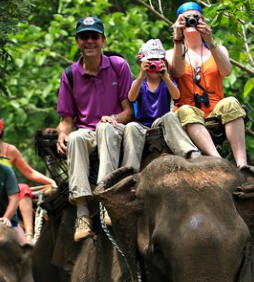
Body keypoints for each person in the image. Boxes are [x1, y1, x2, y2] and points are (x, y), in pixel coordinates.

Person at [56, 16, 134, 242]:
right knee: (76, 137)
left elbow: (129, 112)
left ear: (103, 41)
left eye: (94, 37)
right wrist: (63, 133)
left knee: (105, 129)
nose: (89, 41)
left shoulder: (118, 66)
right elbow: (66, 119)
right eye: (84, 37)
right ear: (77, 41)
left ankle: (106, 197)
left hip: (114, 128)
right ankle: (82, 211)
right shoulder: (70, 75)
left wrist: (112, 118)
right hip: (87, 133)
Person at [168, 1, 249, 166]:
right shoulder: (170, 53)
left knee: (232, 102)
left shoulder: (218, 50)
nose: (191, 21)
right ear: (178, 23)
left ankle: (243, 164)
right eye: (185, 19)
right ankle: (217, 159)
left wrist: (210, 41)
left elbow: (226, 71)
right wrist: (177, 39)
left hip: (215, 109)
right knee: (185, 110)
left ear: (203, 21)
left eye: (196, 18)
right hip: (187, 112)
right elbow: (176, 72)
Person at [123, 39, 180, 171]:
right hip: (142, 124)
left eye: (157, 60)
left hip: (161, 122)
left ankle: (187, 154)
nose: (153, 65)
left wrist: (165, 76)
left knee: (171, 117)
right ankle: (129, 169)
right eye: (150, 61)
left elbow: (177, 96)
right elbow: (131, 97)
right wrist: (141, 75)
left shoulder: (166, 82)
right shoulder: (140, 83)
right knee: (131, 127)